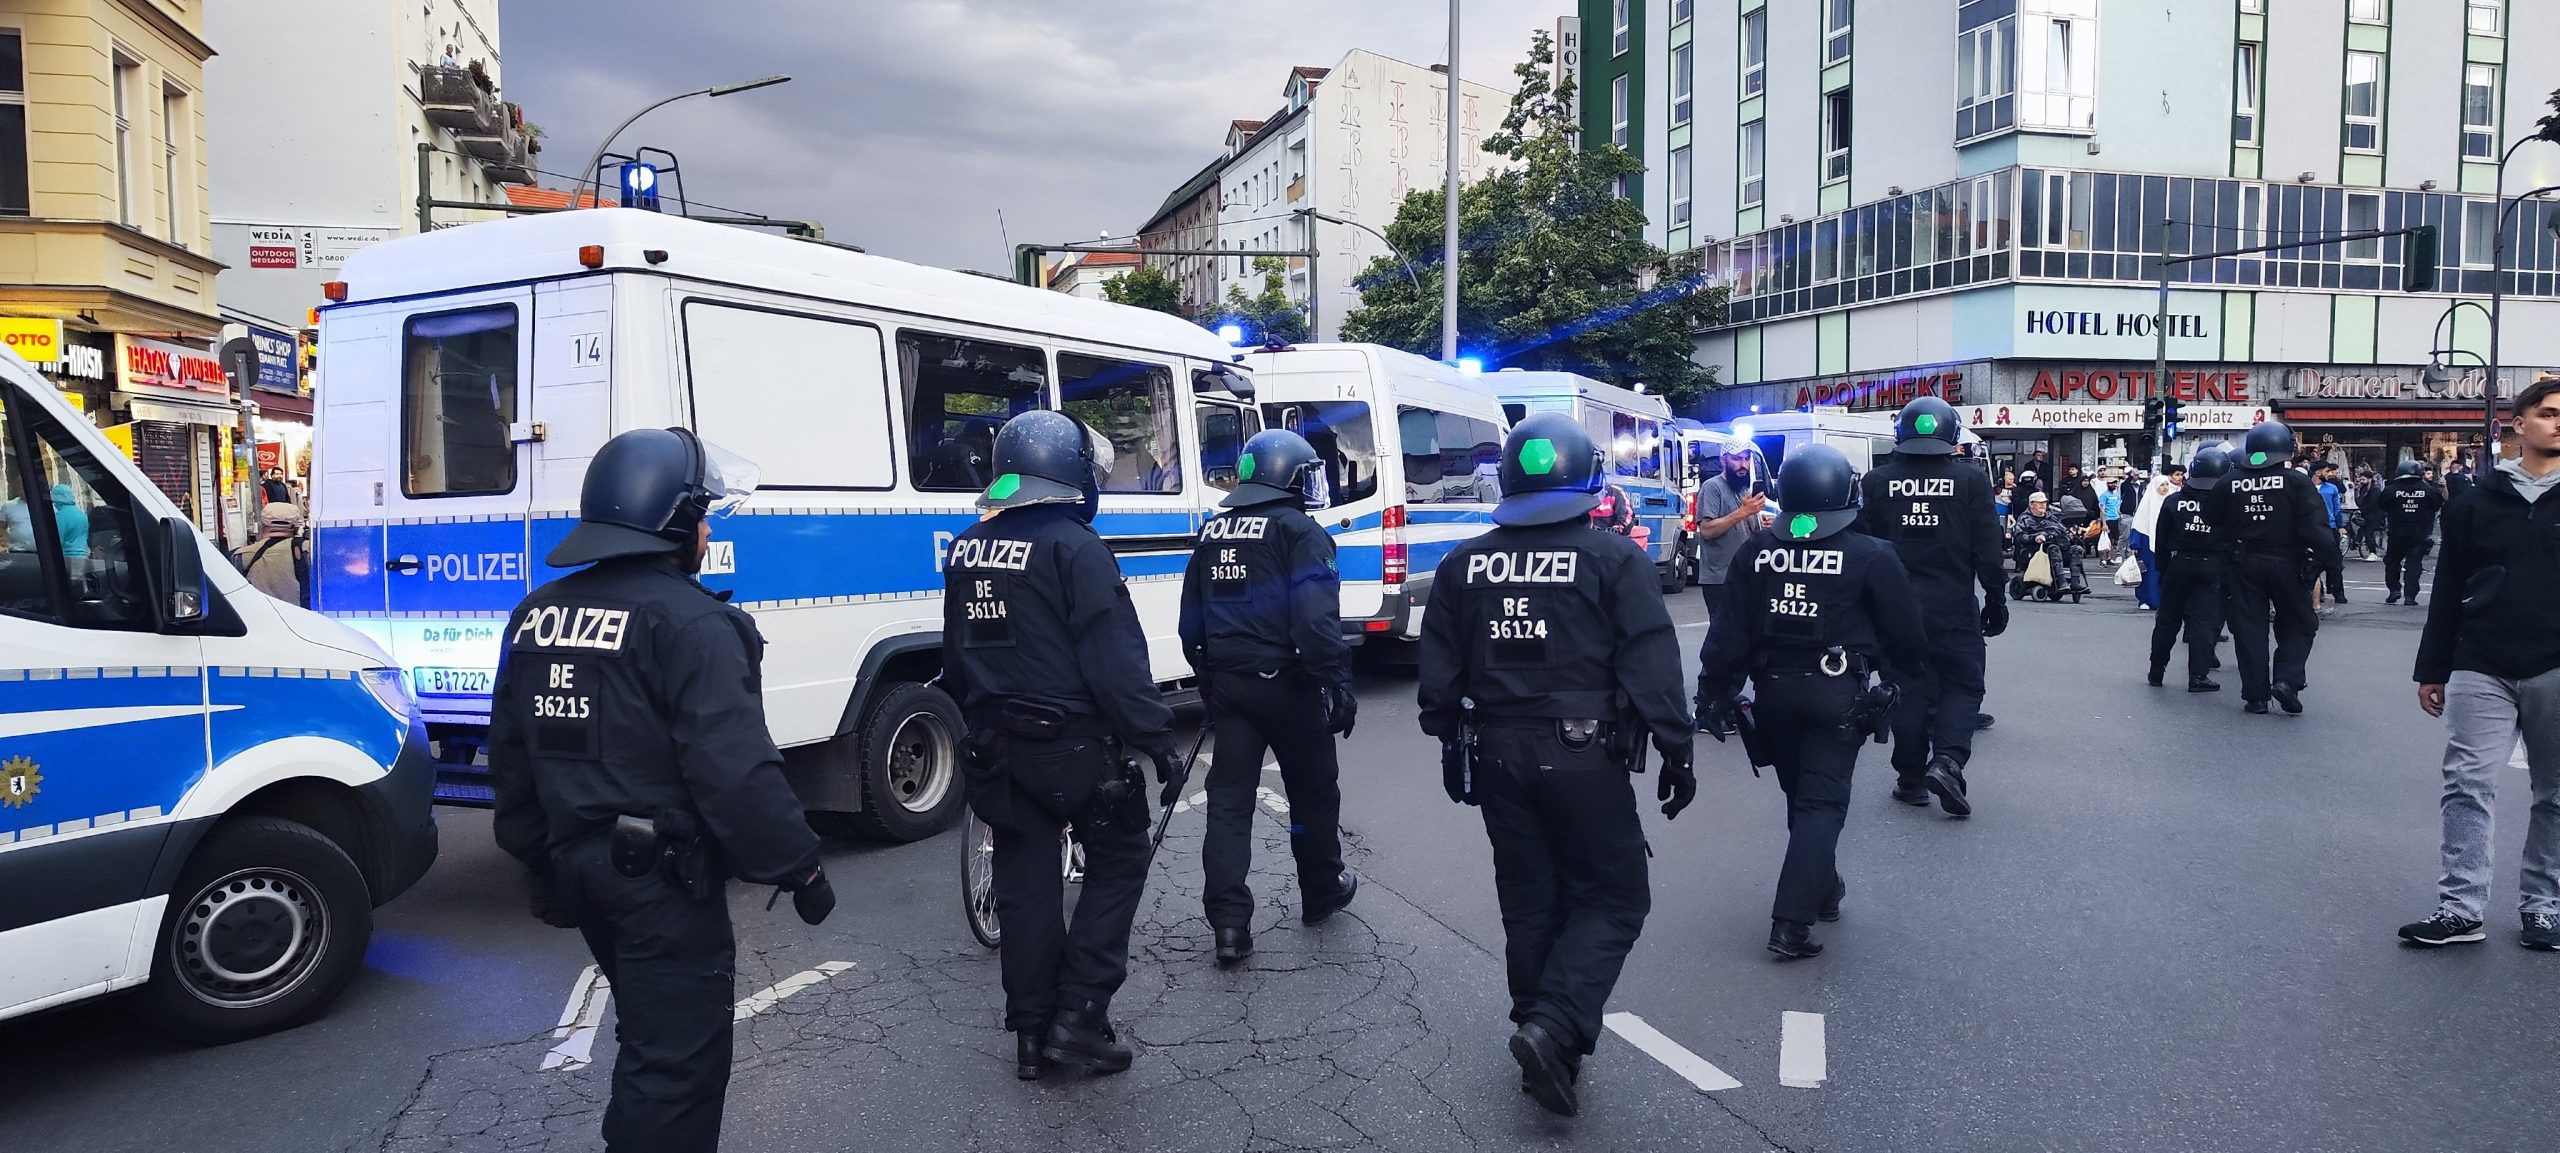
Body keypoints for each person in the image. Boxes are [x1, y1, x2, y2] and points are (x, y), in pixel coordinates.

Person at [487, 427, 832, 1153]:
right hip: (662, 884)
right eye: (700, 516)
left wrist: (540, 863)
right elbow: (735, 770)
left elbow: (514, 758)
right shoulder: (696, 623)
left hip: (581, 865)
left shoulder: (537, 614)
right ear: (670, 522)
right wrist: (799, 867)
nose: (708, 531)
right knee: (676, 1065)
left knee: (649, 1041)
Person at [1416, 412, 1691, 1118]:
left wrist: (1447, 737)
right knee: (1614, 897)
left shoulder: (1463, 563)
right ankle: (1554, 1025)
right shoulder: (1613, 558)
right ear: (1587, 478)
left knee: (1530, 895)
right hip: (1582, 752)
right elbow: (1651, 662)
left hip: (1496, 751)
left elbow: (1440, 670)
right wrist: (1676, 747)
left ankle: (1543, 1039)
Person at [943, 410, 1183, 1081]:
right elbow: (1115, 660)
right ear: (1071, 472)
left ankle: (1031, 1032)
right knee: (1121, 859)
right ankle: (1079, 1016)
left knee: (1024, 886)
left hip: (997, 748)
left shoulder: (967, 548)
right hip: (1071, 747)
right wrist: (1157, 741)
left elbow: (956, 658)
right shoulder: (1076, 547)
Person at [1701, 444, 1929, 960]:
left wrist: (1713, 693)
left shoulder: (1756, 551)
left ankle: (1822, 890)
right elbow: (1906, 633)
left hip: (1773, 693)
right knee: (1821, 804)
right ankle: (1791, 922)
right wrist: (1903, 680)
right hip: (1837, 692)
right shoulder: (1872, 554)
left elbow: (1728, 633)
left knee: (1801, 797)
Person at [1179, 429, 1358, 967]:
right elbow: (1315, 621)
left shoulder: (1213, 531)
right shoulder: (1299, 532)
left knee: (1229, 803)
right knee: (1312, 794)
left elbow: (1191, 620)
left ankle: (1230, 924)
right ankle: (1321, 889)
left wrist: (1208, 678)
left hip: (1230, 687)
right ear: (1288, 477)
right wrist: (1337, 681)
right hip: (1288, 685)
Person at [2402, 373, 2560, 952]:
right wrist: (2432, 668)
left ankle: (2543, 907)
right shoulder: (2475, 502)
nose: (2559, 423)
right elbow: (2447, 587)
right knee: (2467, 784)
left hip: (2555, 663)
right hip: (2480, 661)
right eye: (2548, 413)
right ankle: (2461, 907)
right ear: (2519, 425)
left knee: (2555, 794)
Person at [1857, 397, 2004, 816]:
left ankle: (1910, 778)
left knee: (1906, 687)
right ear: (1952, 435)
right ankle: (1947, 761)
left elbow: (1862, 548)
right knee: (1963, 685)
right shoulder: (1971, 481)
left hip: (1895, 607)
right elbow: (1987, 548)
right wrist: (1995, 598)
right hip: (1953, 604)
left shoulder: (1876, 482)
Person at [2220, 420, 2340, 715]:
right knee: (2299, 623)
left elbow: (2213, 521)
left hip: (2244, 563)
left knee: (2250, 629)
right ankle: (2287, 680)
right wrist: (2331, 566)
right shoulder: (2297, 482)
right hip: (2289, 563)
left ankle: (2256, 697)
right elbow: (2316, 529)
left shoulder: (2229, 482)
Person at [2149, 447, 2233, 692]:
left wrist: (2162, 571)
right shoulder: (2226, 504)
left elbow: (2161, 540)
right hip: (2212, 566)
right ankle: (2198, 676)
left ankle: (2156, 671)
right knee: (2202, 622)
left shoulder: (2174, 501)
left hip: (2178, 563)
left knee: (2167, 621)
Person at [1691, 443, 1768, 622]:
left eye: (1746, 459)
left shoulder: (1743, 489)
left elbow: (1746, 529)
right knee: (1723, 631)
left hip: (1745, 574)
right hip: (1720, 578)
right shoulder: (1712, 487)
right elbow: (1707, 530)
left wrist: (1763, 525)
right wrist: (1743, 512)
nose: (1743, 464)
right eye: (1737, 459)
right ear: (1723, 460)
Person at [2380, 459, 2444, 606]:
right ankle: (2410, 596)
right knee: (2414, 564)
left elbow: (2382, 505)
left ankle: (2394, 589)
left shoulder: (2391, 490)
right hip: (2419, 534)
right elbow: (2437, 505)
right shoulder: (2429, 491)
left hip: (2396, 533)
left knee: (2392, 562)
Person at [235, 501, 304, 604]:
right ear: (296, 526)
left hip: (258, 613)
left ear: (263, 524)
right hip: (300, 613)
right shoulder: (307, 551)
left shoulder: (242, 555)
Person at [2313, 462, 2349, 605]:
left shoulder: (2332, 488)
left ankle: (2338, 592)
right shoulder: (2305, 487)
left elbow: (2337, 508)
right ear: (2318, 472)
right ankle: (2318, 592)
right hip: (2311, 528)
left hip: (2329, 527)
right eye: (2327, 471)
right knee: (2312, 563)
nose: (2330, 474)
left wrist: (2340, 526)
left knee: (2335, 563)